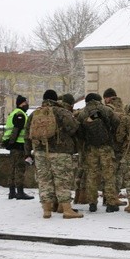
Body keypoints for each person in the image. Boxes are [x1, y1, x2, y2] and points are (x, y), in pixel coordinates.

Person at [26, 89, 82, 219]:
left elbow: (27, 135)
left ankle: (47, 210)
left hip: (40, 152)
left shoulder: (35, 113)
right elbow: (73, 128)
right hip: (60, 152)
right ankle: (67, 210)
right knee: (62, 181)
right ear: (56, 99)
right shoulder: (61, 112)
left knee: (44, 181)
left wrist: (27, 152)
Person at [77, 92, 120, 212]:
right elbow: (117, 122)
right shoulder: (106, 109)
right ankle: (111, 203)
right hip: (106, 147)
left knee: (91, 175)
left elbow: (79, 131)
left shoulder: (83, 113)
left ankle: (92, 203)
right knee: (109, 175)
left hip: (90, 148)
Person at [1, 95, 34, 200]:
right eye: (25, 102)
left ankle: (12, 192)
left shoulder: (14, 113)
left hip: (14, 145)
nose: (27, 104)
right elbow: (16, 130)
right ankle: (20, 192)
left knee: (13, 168)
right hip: (19, 145)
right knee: (20, 168)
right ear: (21, 103)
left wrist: (9, 143)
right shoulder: (20, 114)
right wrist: (11, 143)